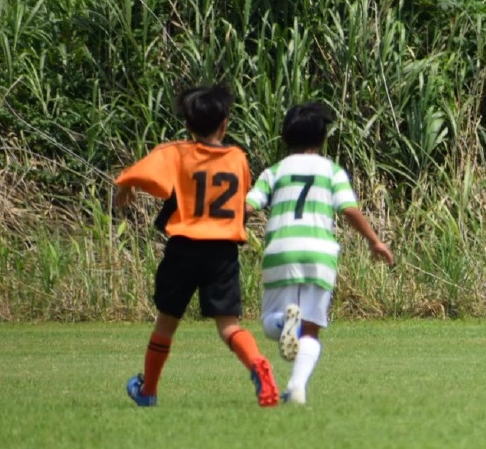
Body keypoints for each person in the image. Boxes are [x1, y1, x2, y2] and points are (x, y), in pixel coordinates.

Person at [114, 84, 280, 408]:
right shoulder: (238, 158)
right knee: (229, 325)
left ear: (188, 126)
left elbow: (145, 172)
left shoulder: (178, 152)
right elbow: (240, 197)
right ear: (225, 124)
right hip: (223, 251)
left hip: (185, 247)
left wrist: (126, 184)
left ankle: (148, 390)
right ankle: (258, 364)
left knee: (166, 322)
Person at [246, 101, 394, 405]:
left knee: (271, 322)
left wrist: (228, 229)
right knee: (311, 328)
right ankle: (297, 388)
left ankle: (285, 324)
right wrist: (374, 241)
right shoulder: (332, 171)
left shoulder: (274, 172)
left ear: (285, 136)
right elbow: (349, 210)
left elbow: (248, 207)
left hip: (282, 250)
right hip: (320, 253)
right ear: (323, 138)